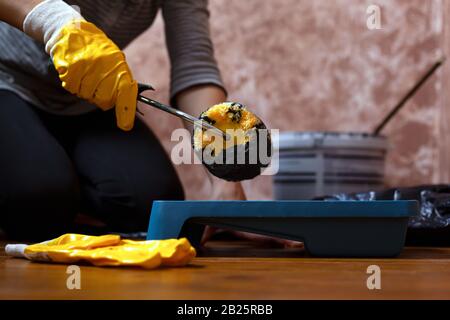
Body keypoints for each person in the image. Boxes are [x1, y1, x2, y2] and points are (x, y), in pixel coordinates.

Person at [0, 0, 246, 241]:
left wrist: (226, 175)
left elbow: (195, 67)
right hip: (6, 80)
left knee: (152, 206)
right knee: (37, 202)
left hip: (89, 98)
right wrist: (54, 20)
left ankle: (54, 185)